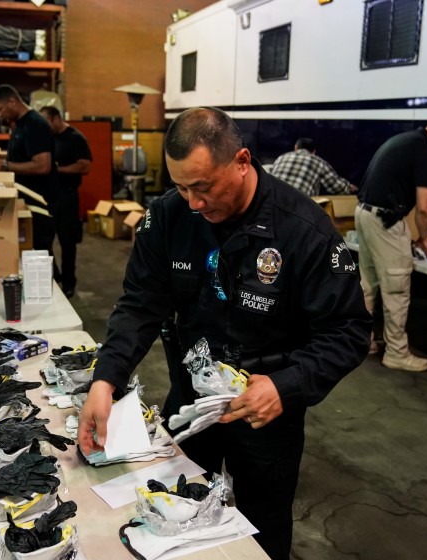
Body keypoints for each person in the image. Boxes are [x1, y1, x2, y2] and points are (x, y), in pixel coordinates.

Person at [78, 107, 371, 559]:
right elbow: (140, 305)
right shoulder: (170, 218)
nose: (193, 202)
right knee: (174, 512)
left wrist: (285, 386)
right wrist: (105, 378)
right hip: (192, 402)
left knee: (262, 528)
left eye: (203, 186)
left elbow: (349, 331)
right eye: (180, 186)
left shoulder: (303, 231)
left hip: (266, 410)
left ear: (242, 161)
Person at [354, 118, 427, 371]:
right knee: (396, 287)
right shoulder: (425, 151)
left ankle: (360, 343)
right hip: (385, 220)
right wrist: (423, 238)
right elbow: (424, 208)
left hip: (364, 213)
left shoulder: (403, 140)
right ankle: (397, 353)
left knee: (367, 285)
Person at [0, 84, 54, 252]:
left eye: (1, 110)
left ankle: (54, 279)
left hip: (39, 203)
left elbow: (43, 166)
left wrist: (3, 166)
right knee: (31, 252)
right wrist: (1, 159)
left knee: (41, 253)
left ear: (12, 101)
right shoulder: (19, 124)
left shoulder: (35, 125)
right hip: (25, 200)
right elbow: (24, 154)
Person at [39, 106, 92, 298]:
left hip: (67, 197)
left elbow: (85, 166)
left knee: (68, 242)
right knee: (44, 240)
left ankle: (69, 282)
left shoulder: (75, 138)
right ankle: (55, 276)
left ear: (55, 118)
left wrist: (56, 170)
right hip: (48, 196)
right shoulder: (47, 137)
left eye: (46, 122)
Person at [269, 137, 356, 196]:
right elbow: (336, 186)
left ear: (296, 147)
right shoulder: (318, 161)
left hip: (272, 201)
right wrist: (350, 188)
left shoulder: (282, 157)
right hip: (296, 206)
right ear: (313, 152)